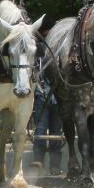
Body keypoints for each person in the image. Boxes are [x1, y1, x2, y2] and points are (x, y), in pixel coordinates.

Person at [32, 20, 63, 174]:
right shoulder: (39, 50)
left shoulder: (61, 52)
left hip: (57, 96)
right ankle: (38, 160)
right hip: (41, 94)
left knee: (57, 131)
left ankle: (55, 165)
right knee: (41, 129)